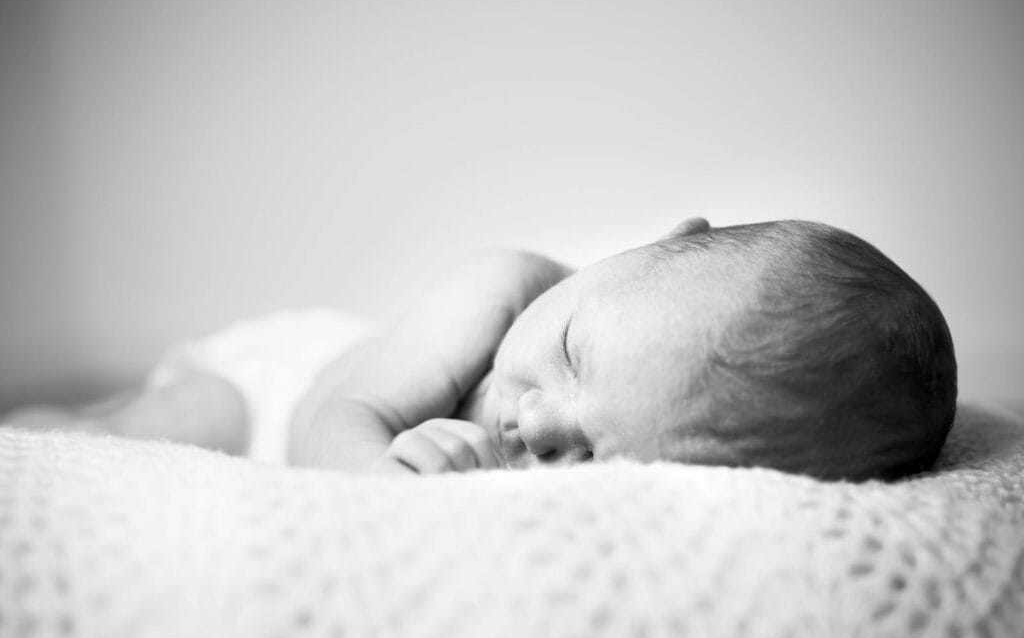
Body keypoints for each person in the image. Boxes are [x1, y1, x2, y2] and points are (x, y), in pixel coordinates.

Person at [3, 218, 957, 481]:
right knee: (146, 428)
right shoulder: (501, 287)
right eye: (575, 355)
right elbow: (325, 420)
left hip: (309, 405)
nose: (536, 422)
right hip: (277, 389)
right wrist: (385, 477)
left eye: (593, 450)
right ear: (659, 242)